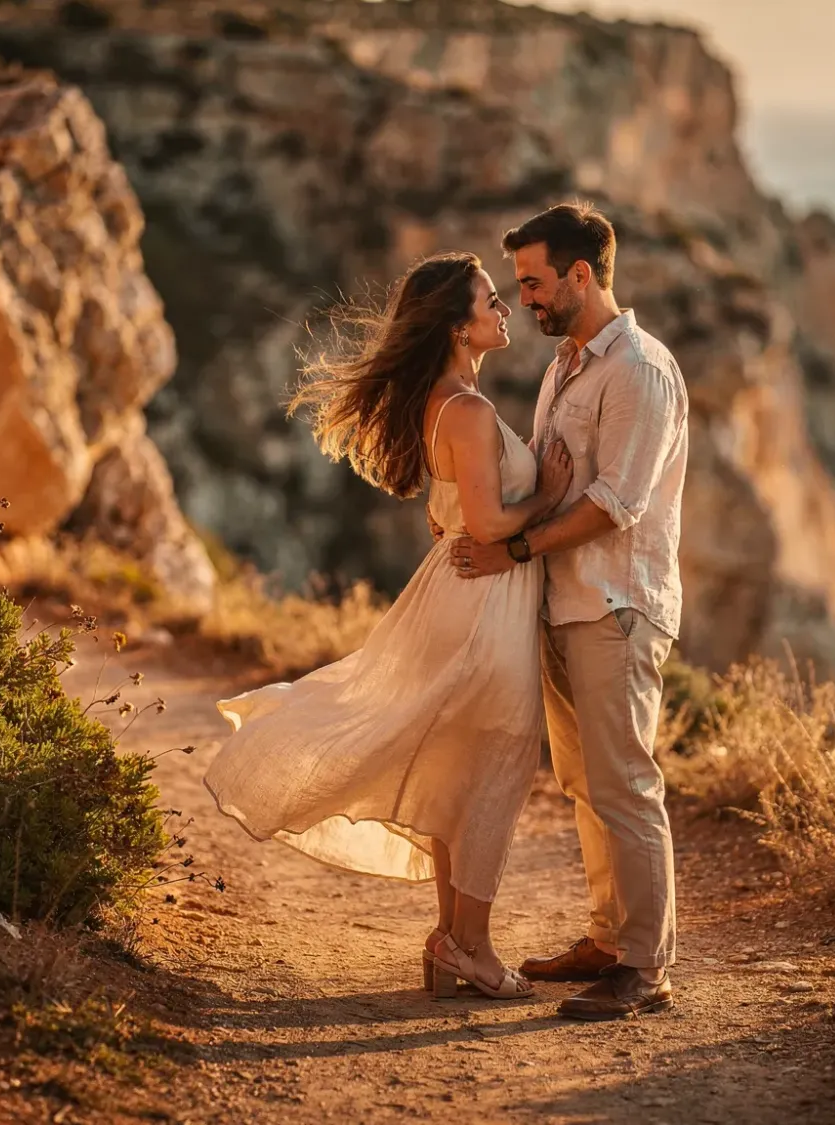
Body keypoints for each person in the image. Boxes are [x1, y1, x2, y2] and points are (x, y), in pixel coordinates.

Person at [202, 251, 572, 1000]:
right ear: (458, 326)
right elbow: (490, 519)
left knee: (455, 769)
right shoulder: (466, 409)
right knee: (495, 767)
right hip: (484, 605)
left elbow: (456, 513)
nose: (504, 310)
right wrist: (551, 493)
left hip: (457, 595)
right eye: (490, 301)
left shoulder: (446, 400)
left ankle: (451, 940)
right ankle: (471, 945)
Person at [450, 203, 690, 1021]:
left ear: (581, 276)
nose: (523, 299)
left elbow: (614, 503)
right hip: (563, 606)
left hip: (616, 606)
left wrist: (515, 550)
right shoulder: (567, 364)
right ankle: (605, 939)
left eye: (533, 282)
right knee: (587, 785)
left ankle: (647, 967)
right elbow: (553, 480)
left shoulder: (639, 371)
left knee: (625, 784)